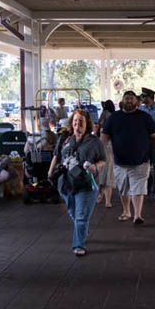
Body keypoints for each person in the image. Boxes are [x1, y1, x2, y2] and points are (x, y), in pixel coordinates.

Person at [48, 109, 106, 256]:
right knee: (74, 213)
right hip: (66, 184)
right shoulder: (65, 139)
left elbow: (103, 160)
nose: (77, 123)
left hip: (86, 184)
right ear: (71, 122)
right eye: (75, 120)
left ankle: (78, 245)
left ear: (87, 124)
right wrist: (50, 173)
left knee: (80, 216)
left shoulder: (94, 142)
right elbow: (56, 155)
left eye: (81, 121)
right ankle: (83, 230)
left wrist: (94, 167)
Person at [101, 90, 155, 224]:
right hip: (120, 162)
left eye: (132, 98)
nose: (129, 100)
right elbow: (104, 137)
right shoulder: (114, 118)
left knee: (138, 189)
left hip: (141, 161)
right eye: (126, 98)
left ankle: (137, 215)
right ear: (121, 102)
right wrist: (100, 155)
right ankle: (126, 211)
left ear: (137, 103)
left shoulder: (145, 117)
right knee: (124, 189)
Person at [95, 100, 117, 208]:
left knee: (102, 173)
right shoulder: (114, 116)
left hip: (103, 146)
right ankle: (108, 201)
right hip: (112, 147)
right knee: (110, 174)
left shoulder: (104, 114)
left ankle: (100, 195)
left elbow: (100, 127)